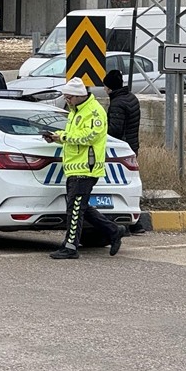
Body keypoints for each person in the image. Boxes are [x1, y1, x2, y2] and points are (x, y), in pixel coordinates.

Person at [46, 78, 123, 260]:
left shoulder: (94, 112)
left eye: (69, 97)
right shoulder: (75, 110)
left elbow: (88, 136)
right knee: (80, 207)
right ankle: (113, 231)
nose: (67, 101)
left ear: (79, 96)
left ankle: (71, 246)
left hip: (86, 168)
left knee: (75, 208)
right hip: (74, 167)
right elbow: (74, 134)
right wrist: (56, 136)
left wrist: (62, 137)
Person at [103, 69, 140, 154]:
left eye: (105, 86)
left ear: (110, 88)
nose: (104, 89)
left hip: (122, 148)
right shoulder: (131, 96)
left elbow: (114, 130)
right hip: (132, 144)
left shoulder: (117, 104)